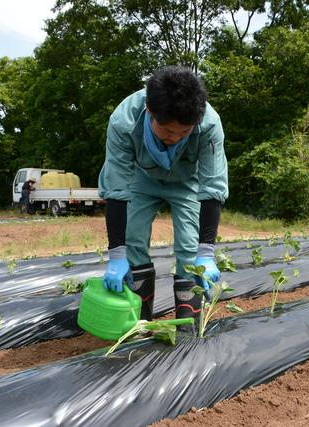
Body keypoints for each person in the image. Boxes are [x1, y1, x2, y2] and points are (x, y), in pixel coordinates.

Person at [98, 66, 228, 327]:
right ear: (150, 110)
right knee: (132, 241)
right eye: (168, 131)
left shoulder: (209, 124)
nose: (175, 138)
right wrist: (116, 254)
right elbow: (116, 187)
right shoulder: (124, 120)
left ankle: (187, 327)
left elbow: (213, 186)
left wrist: (207, 252)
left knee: (190, 250)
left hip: (186, 182)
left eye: (184, 132)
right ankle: (139, 322)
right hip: (141, 180)